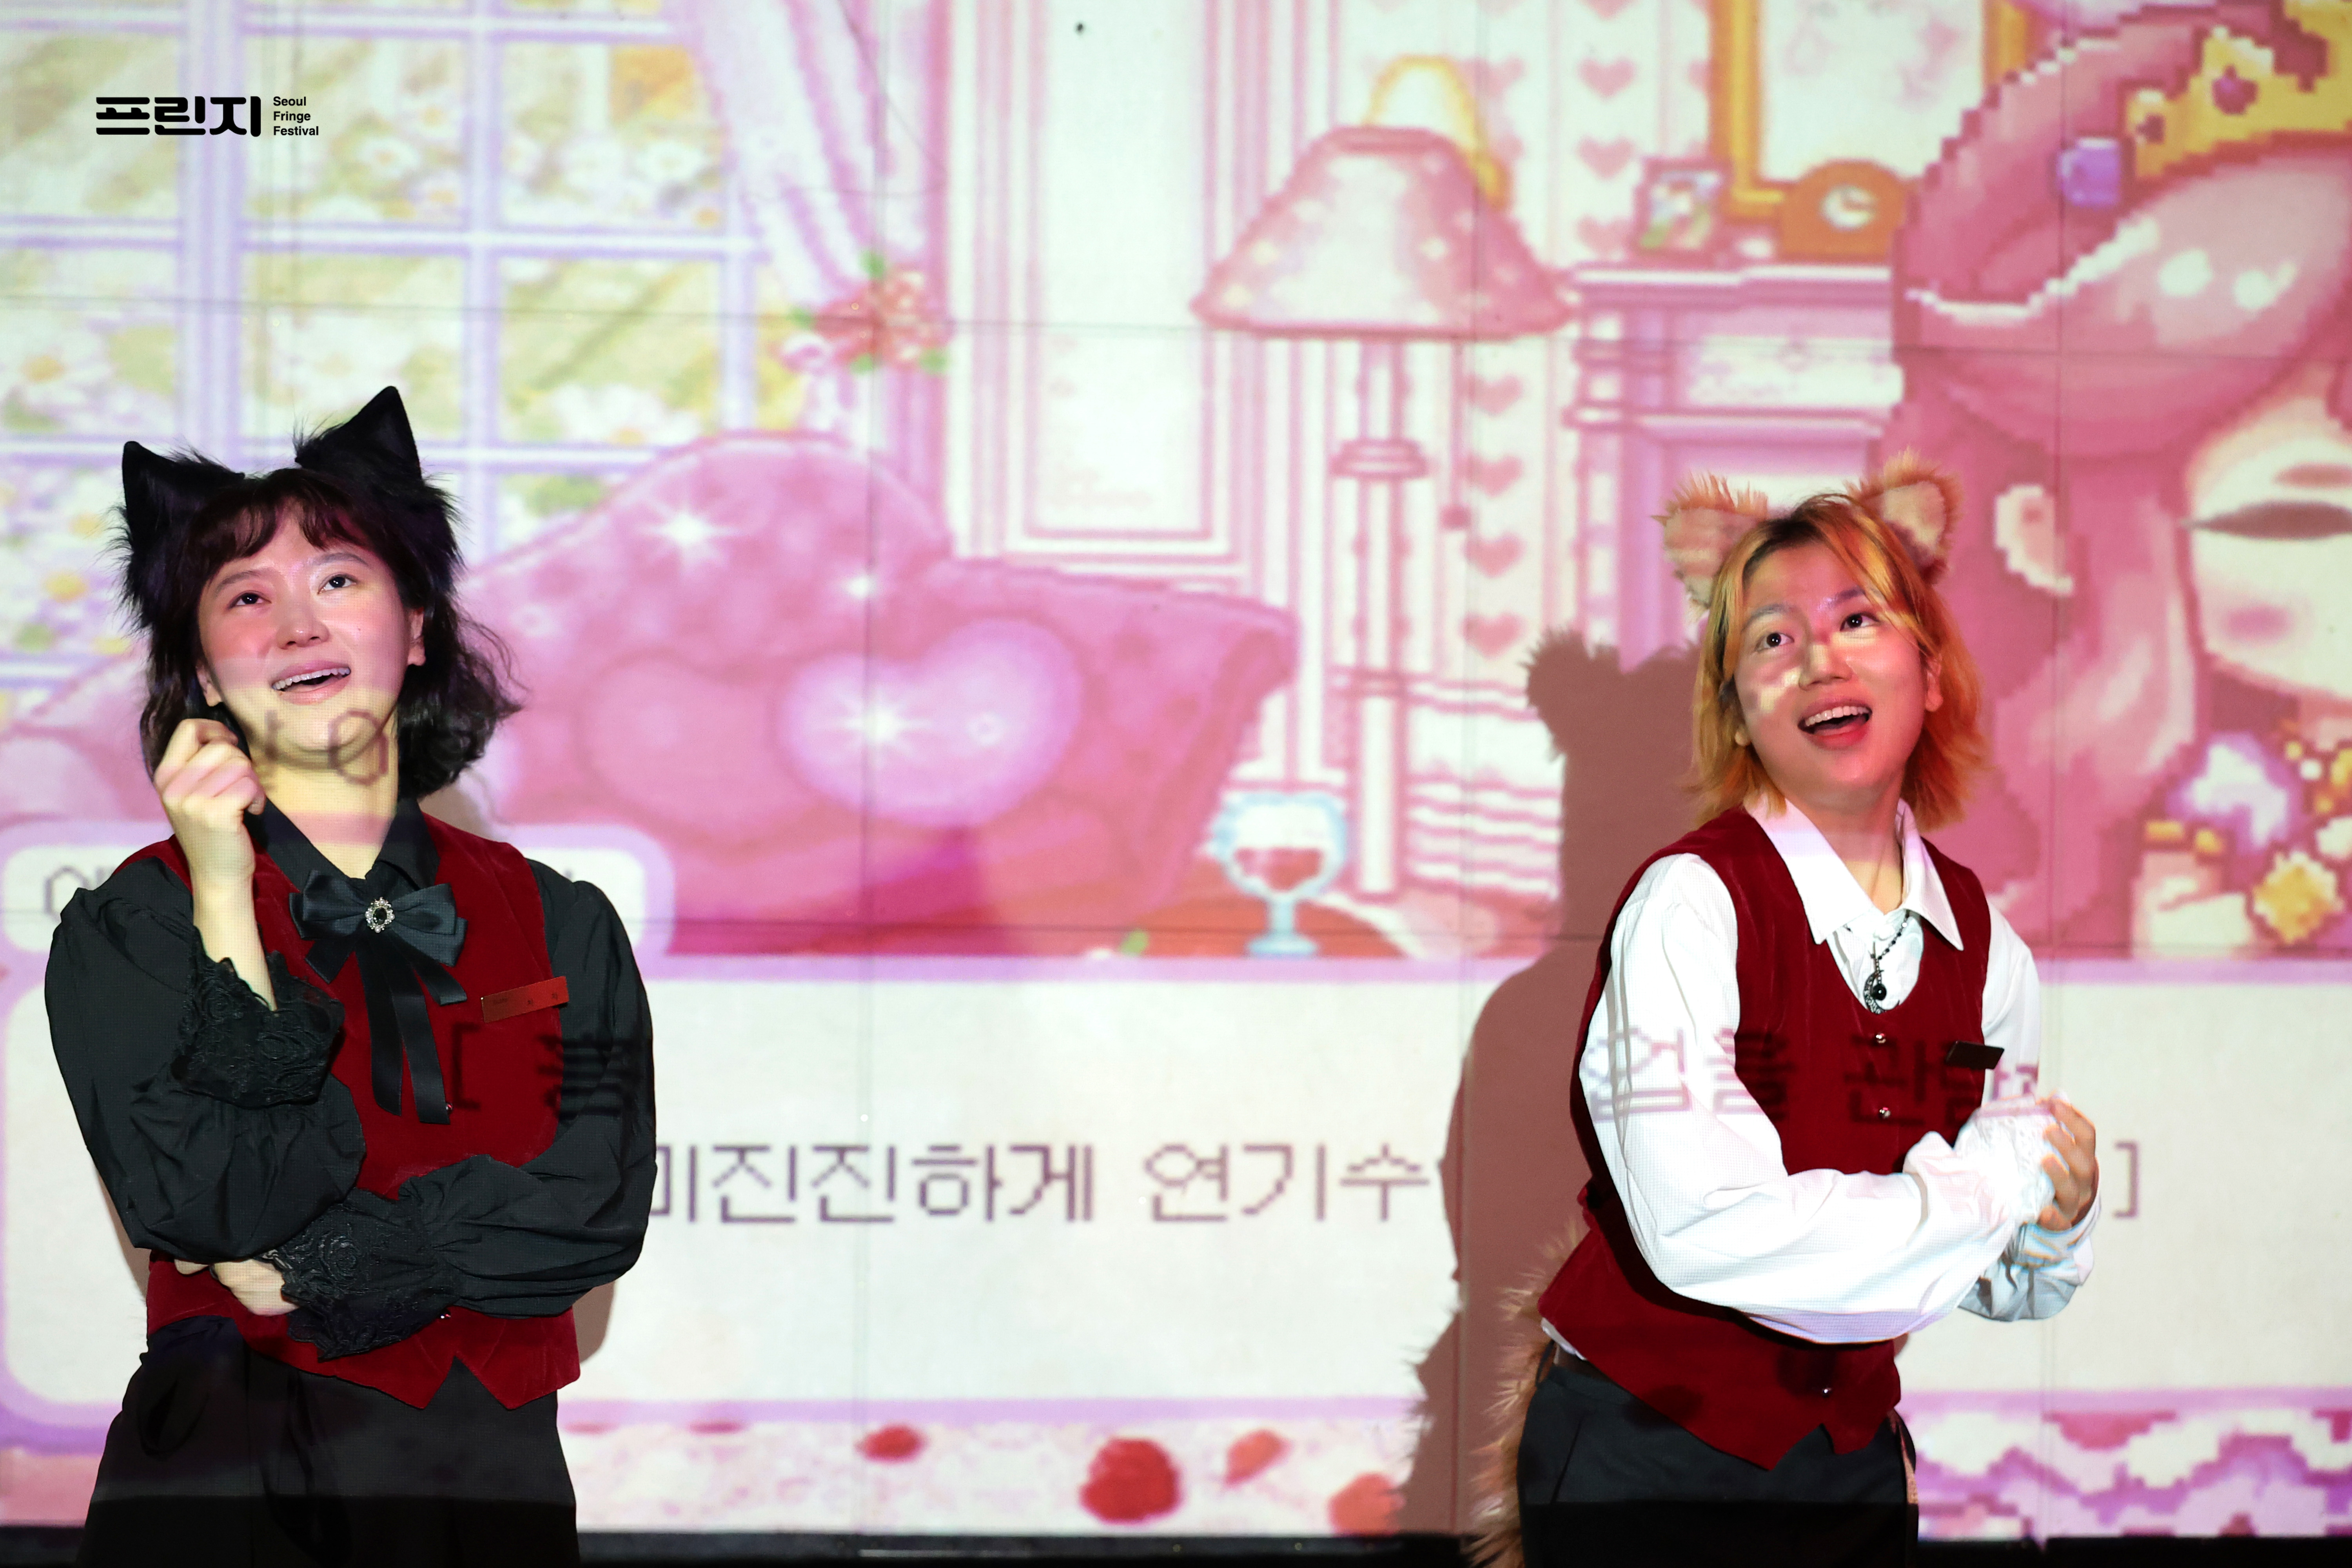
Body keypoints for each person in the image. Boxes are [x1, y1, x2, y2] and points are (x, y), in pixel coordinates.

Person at [47, 387, 655, 1568]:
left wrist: (329, 1267)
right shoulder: (134, 924)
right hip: (225, 1473)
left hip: (487, 1476)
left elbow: (594, 1204)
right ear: (202, 674)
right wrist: (225, 889)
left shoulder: (561, 919)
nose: (296, 625)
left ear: (416, 628)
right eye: (246, 597)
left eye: (337, 579)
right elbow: (216, 1204)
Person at [1493, 459, 2101, 1568]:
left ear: (1930, 672)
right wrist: (1992, 1185)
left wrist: (2053, 1216)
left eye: (1858, 618)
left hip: (1847, 1466)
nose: (1819, 656)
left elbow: (2003, 1269)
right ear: (1735, 711)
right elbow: (1709, 1227)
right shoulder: (1692, 903)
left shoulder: (1986, 944)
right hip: (1644, 1460)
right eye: (1772, 638)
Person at [1884, 0, 2352, 953]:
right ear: (2055, 539)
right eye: (2302, 519)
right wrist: (2288, 903)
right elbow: (2171, 948)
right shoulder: (2235, 787)